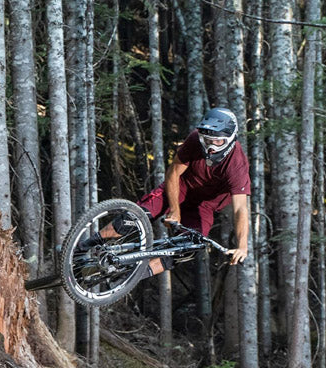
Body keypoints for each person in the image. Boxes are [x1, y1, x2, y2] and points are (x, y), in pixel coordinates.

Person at [101, 106, 251, 278]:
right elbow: (173, 173)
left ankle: (130, 277)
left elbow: (240, 208)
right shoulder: (195, 139)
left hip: (204, 207)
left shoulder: (237, 165)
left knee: (188, 248)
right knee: (134, 217)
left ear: (231, 139)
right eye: (207, 140)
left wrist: (242, 247)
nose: (210, 146)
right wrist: (175, 211)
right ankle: (83, 247)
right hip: (179, 188)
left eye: (217, 142)